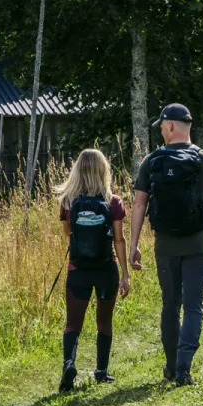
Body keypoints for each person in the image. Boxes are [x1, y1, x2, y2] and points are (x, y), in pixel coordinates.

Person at [129, 103, 203, 387]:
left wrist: (134, 245)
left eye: (161, 126)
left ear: (170, 125)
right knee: (194, 306)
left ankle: (171, 367)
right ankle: (184, 370)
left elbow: (139, 203)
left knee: (170, 305)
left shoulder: (151, 161)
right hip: (198, 243)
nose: (161, 131)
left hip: (165, 246)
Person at [55, 148, 131, 392]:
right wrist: (125, 274)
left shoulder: (68, 201)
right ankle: (101, 371)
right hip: (105, 269)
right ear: (103, 171)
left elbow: (68, 233)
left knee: (72, 324)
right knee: (104, 322)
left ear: (77, 171)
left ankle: (69, 363)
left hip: (78, 269)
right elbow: (119, 240)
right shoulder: (113, 202)